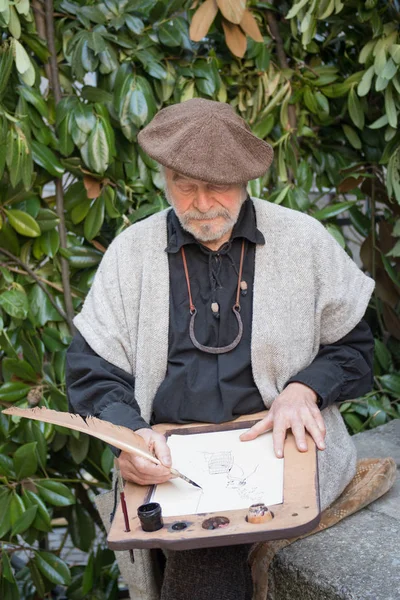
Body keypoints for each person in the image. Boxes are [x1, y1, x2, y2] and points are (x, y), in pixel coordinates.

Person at [66, 98, 375, 600]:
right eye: (185, 187)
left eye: (219, 187)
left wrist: (303, 390)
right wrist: (130, 435)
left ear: (247, 178)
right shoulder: (131, 253)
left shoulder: (303, 240)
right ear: (164, 176)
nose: (202, 203)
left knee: (207, 551)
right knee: (198, 540)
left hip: (277, 442)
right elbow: (91, 369)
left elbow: (356, 347)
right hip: (169, 450)